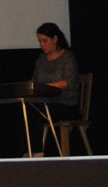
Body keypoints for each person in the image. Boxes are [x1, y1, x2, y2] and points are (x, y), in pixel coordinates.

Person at [27, 22, 79, 157]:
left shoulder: (67, 57)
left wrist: (46, 87)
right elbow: (35, 80)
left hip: (65, 104)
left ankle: (37, 151)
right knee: (24, 107)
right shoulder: (41, 58)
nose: (42, 45)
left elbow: (69, 82)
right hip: (46, 102)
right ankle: (29, 149)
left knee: (35, 111)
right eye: (40, 41)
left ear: (55, 39)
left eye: (45, 41)